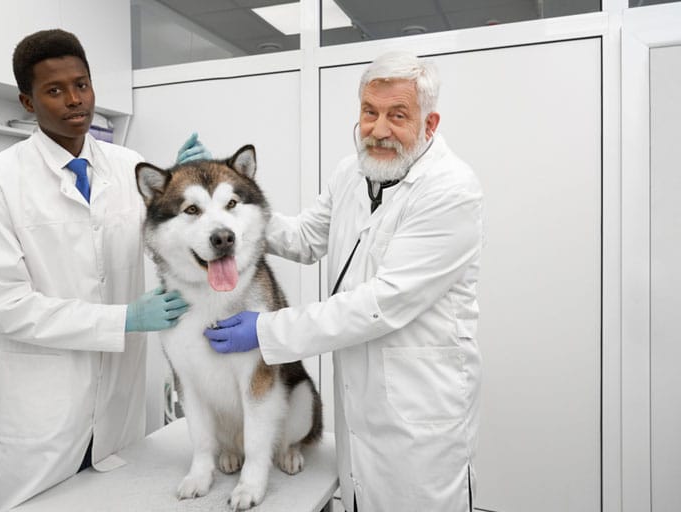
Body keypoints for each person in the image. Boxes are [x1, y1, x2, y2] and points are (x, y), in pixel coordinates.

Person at [204, 51, 484, 511]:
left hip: (420, 403)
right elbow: (303, 238)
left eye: (398, 116)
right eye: (369, 113)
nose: (378, 129)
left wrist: (267, 330)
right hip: (360, 392)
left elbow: (382, 303)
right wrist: (229, 208)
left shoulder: (452, 190)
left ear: (430, 124)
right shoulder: (351, 172)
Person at [0, 29, 208, 512]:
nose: (75, 101)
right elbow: (4, 305)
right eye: (54, 90)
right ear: (27, 102)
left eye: (83, 85)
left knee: (119, 497)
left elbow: (166, 244)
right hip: (43, 407)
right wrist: (123, 320)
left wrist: (181, 197)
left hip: (118, 400)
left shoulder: (129, 166)